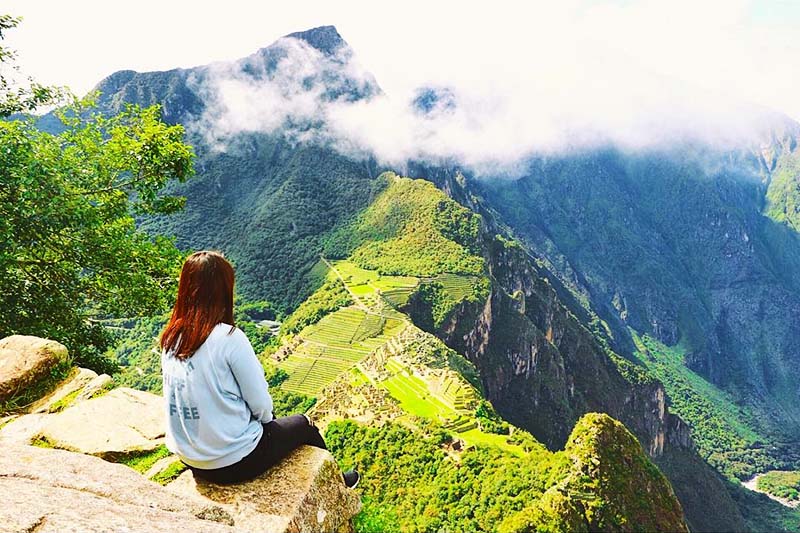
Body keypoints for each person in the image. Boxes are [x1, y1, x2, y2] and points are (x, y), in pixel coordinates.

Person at [160, 250, 359, 487]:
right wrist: (268, 421)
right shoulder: (229, 338)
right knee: (305, 424)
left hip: (189, 458)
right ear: (224, 290)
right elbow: (261, 404)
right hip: (233, 463)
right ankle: (338, 484)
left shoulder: (171, 336)